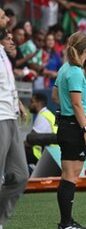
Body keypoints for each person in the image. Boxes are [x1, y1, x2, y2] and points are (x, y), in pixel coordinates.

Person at [52, 31, 86, 229]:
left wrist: (68, 105)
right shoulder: (76, 71)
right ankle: (66, 223)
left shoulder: (64, 69)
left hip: (66, 124)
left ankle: (66, 221)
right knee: (70, 176)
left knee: (68, 175)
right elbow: (77, 104)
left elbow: (54, 95)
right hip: (74, 126)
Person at [0, 21, 29, 229]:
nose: (13, 41)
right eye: (8, 38)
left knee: (20, 175)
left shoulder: (5, 58)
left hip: (11, 117)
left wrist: (17, 102)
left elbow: (7, 85)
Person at [26, 92, 57, 165]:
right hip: (54, 152)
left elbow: (31, 140)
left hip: (46, 155)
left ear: (39, 103)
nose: (29, 105)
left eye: (32, 102)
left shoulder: (42, 117)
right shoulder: (49, 114)